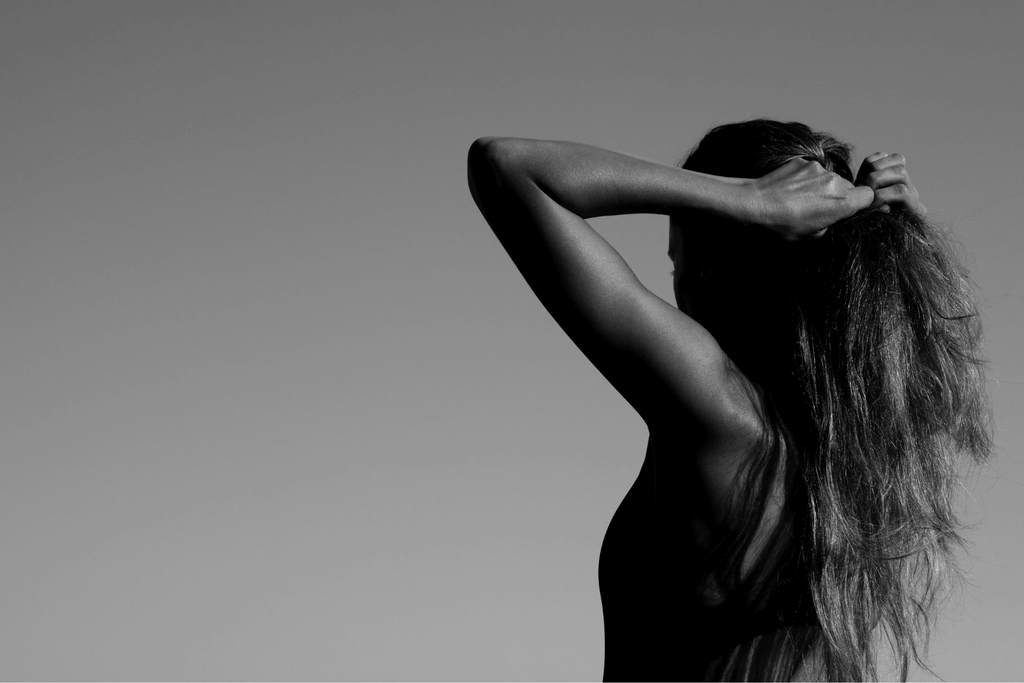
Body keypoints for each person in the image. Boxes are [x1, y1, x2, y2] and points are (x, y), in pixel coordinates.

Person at [466, 119, 990, 681]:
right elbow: (931, 341)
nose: (676, 287)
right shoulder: (878, 443)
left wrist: (741, 199)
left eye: (677, 263)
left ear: (718, 263)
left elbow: (505, 166)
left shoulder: (722, 414)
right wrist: (905, 234)